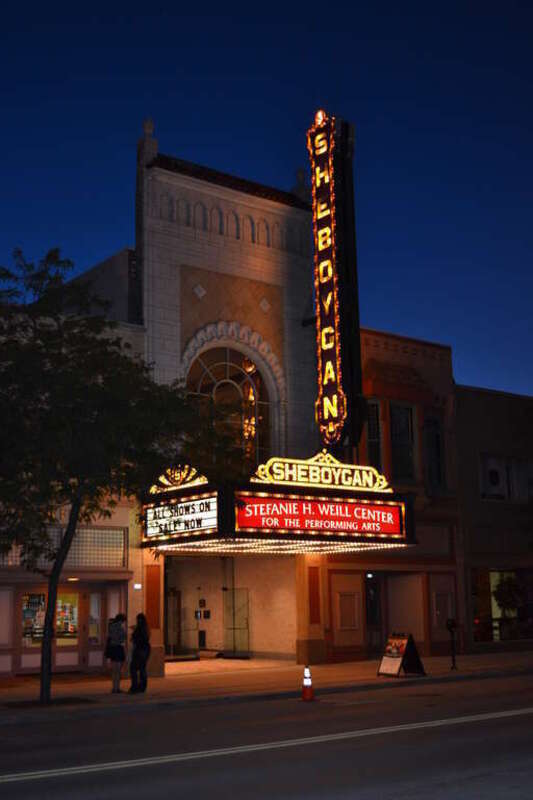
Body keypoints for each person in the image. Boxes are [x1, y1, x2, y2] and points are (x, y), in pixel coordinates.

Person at [129, 613, 151, 694]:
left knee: (133, 668)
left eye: (137, 619)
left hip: (140, 649)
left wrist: (133, 635)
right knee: (142, 668)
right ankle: (142, 686)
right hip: (146, 649)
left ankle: (135, 686)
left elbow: (136, 638)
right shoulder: (146, 628)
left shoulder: (139, 628)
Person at [105, 613, 127, 693]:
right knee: (118, 670)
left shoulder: (111, 626)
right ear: (122, 620)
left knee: (114, 670)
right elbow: (122, 638)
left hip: (112, 649)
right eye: (124, 621)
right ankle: (117, 688)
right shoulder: (120, 627)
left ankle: (114, 687)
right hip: (118, 648)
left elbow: (110, 637)